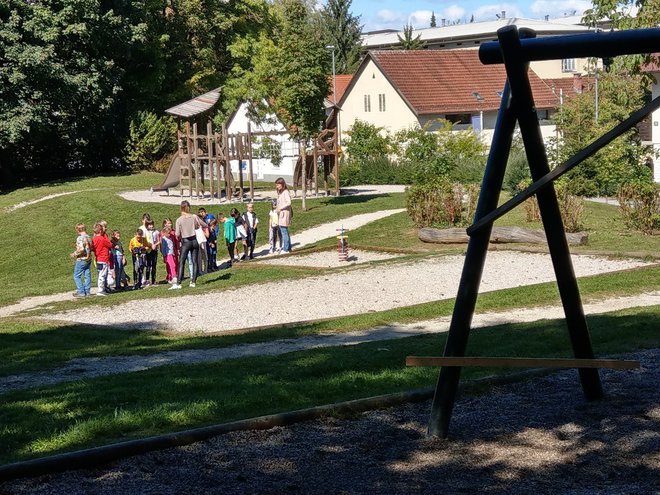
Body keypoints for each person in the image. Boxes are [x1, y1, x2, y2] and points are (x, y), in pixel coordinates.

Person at [173, 200, 206, 289]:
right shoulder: (194, 217)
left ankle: (179, 283)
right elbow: (203, 224)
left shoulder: (179, 220)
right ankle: (193, 282)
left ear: (181, 208)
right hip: (194, 240)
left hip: (186, 241)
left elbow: (177, 234)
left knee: (182, 262)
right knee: (195, 261)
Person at [91, 222, 113, 296]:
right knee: (102, 275)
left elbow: (93, 248)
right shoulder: (102, 239)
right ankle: (101, 290)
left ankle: (102, 289)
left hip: (98, 259)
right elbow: (110, 244)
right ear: (100, 231)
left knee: (100, 274)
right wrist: (105, 236)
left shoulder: (94, 239)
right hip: (104, 259)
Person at [71, 223, 92, 297]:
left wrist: (74, 254)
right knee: (87, 275)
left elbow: (81, 249)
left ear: (78, 229)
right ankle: (87, 291)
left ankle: (81, 291)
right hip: (88, 258)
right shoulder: (88, 237)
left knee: (76, 275)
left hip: (81, 259)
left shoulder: (80, 238)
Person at [275, 177, 292, 253]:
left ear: (282, 184)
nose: (277, 186)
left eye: (278, 185)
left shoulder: (285, 192)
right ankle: (288, 247)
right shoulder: (280, 193)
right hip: (281, 213)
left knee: (284, 231)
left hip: (284, 214)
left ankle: (285, 249)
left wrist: (281, 208)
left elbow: (289, 202)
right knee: (284, 231)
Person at [145, 220, 160, 286]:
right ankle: (147, 280)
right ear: (147, 225)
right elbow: (144, 241)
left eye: (152, 225)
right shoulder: (145, 232)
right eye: (149, 225)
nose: (151, 226)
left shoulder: (156, 232)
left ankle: (153, 280)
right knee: (148, 265)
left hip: (154, 250)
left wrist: (155, 245)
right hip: (148, 250)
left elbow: (159, 241)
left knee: (154, 265)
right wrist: (149, 246)